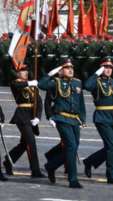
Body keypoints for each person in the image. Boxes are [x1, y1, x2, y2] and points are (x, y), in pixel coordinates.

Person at [39, 58, 86, 189]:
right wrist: (52, 72)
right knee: (71, 146)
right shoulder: (56, 82)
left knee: (73, 148)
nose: (70, 70)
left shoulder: (78, 83)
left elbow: (81, 102)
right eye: (66, 68)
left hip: (75, 119)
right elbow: (41, 85)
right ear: (60, 71)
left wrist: (82, 119)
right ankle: (73, 179)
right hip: (62, 118)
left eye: (72, 68)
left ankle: (51, 165)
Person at [82, 57, 113, 184]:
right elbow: (87, 86)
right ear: (100, 69)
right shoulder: (96, 82)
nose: (108, 69)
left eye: (110, 67)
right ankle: (112, 176)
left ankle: (90, 161)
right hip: (102, 117)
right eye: (106, 67)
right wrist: (96, 73)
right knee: (112, 146)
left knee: (111, 147)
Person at [6, 63, 44, 178]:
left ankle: (8, 161)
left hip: (31, 116)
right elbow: (16, 85)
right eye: (22, 70)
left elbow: (39, 102)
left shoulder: (33, 85)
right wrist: (29, 83)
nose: (26, 72)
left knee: (24, 143)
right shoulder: (16, 83)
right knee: (31, 141)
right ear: (17, 73)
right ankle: (35, 169)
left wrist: (37, 117)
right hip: (22, 115)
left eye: (27, 70)